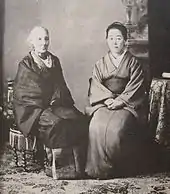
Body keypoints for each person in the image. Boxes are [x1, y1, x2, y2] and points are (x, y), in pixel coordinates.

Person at [13, 26, 88, 179]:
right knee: (56, 123)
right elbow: (25, 93)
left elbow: (60, 85)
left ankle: (79, 167)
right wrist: (46, 102)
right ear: (32, 42)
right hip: (33, 109)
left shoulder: (54, 60)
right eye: (39, 39)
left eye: (46, 38)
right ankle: (58, 168)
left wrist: (56, 99)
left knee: (78, 118)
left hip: (55, 104)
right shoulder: (26, 64)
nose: (44, 42)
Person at [85, 22, 148, 179]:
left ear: (125, 41)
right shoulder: (100, 64)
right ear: (106, 40)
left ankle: (118, 169)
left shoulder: (133, 63)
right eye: (111, 38)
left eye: (118, 38)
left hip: (127, 104)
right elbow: (96, 84)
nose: (114, 42)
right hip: (104, 102)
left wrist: (120, 100)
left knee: (117, 129)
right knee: (95, 125)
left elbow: (136, 86)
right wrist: (107, 99)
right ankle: (98, 170)